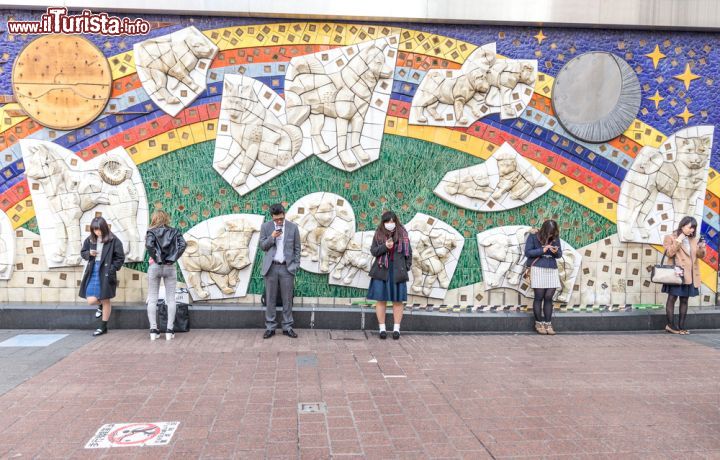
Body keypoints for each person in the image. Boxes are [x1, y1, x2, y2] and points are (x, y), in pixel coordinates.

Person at [368, 211, 412, 340]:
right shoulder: (379, 233)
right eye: (387, 221)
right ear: (383, 222)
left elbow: (409, 253)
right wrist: (385, 247)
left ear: (396, 221)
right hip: (382, 270)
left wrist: (406, 267)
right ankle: (382, 329)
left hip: (398, 270)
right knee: (381, 300)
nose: (390, 224)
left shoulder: (403, 233)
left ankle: (396, 329)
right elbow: (374, 251)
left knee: (398, 301)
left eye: (392, 221)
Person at [259, 203, 301, 339]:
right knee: (270, 299)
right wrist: (272, 237)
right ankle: (270, 327)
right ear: (272, 217)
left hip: (287, 268)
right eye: (276, 219)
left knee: (287, 299)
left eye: (281, 219)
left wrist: (295, 266)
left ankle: (287, 327)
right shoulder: (266, 227)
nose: (278, 221)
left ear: (284, 215)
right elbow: (263, 246)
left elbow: (297, 248)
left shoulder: (293, 228)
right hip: (271, 268)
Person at [79, 217, 125, 337]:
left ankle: (103, 326)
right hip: (93, 270)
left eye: (99, 229)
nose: (97, 232)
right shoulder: (90, 239)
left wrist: (112, 269)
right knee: (91, 300)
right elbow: (83, 252)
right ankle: (100, 305)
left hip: (105, 271)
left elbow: (120, 258)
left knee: (105, 299)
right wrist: (89, 254)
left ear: (104, 228)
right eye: (95, 230)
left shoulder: (113, 240)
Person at [145, 210, 187, 341]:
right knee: (171, 299)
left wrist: (157, 259)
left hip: (154, 266)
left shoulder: (150, 232)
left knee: (152, 299)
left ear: (154, 218)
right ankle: (169, 330)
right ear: (166, 218)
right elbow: (183, 244)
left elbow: (149, 245)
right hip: (170, 266)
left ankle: (153, 330)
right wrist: (173, 258)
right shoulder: (174, 231)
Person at [662, 216, 705, 335]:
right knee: (672, 298)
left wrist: (701, 247)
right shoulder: (670, 237)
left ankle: (681, 326)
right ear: (682, 226)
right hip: (677, 274)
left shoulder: (694, 239)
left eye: (694, 228)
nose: (692, 230)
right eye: (690, 227)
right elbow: (669, 253)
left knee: (685, 300)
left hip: (690, 275)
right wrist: (680, 238)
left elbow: (700, 256)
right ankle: (670, 325)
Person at [524, 220, 562, 335]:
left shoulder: (555, 237)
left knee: (549, 297)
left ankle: (548, 324)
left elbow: (559, 254)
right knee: (539, 297)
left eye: (553, 232)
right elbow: (528, 252)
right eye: (549, 232)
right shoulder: (533, 236)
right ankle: (538, 323)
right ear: (545, 230)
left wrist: (555, 251)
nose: (551, 235)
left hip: (552, 268)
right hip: (538, 268)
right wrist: (542, 250)